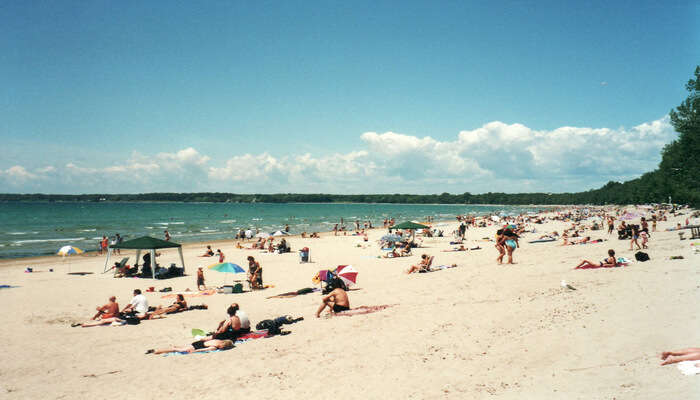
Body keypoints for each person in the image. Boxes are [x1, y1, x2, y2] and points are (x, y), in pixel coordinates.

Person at [146, 339, 234, 355]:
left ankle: (175, 345)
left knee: (181, 347)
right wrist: (194, 352)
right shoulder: (215, 347)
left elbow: (205, 342)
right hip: (197, 347)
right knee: (175, 350)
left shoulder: (218, 340)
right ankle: (156, 351)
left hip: (198, 342)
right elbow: (203, 349)